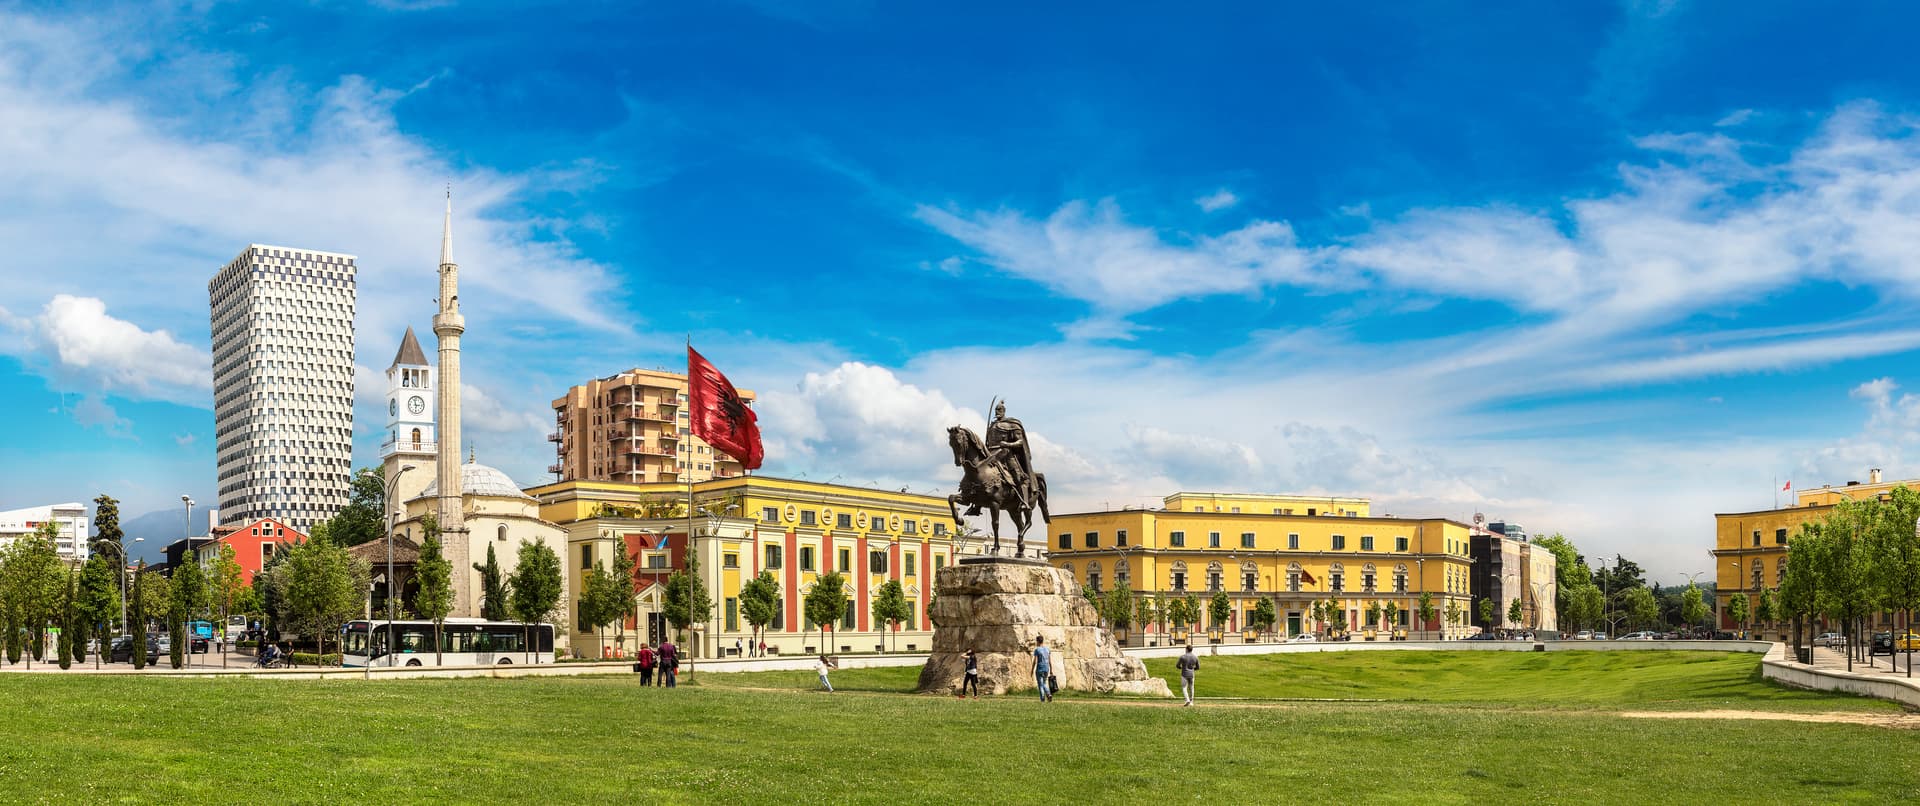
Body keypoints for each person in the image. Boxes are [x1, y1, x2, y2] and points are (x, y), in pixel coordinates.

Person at [1031, 636, 1052, 702]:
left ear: (1037, 641)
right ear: (1042, 641)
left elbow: (1035, 661)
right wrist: (1051, 670)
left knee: (1040, 684)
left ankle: (1043, 698)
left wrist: (1032, 670)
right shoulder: (1047, 649)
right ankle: (1048, 694)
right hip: (1046, 668)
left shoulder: (1037, 650)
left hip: (1040, 668)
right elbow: (1050, 661)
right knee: (1044, 683)